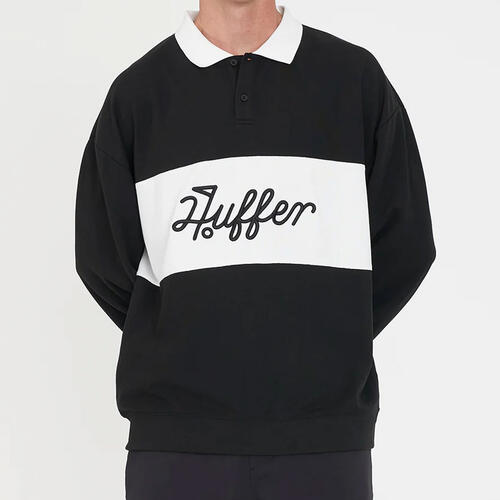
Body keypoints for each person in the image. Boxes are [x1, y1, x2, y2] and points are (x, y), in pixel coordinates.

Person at [75, 0, 436, 498]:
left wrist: (329, 330)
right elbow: (101, 259)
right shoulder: (136, 96)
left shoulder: (355, 82)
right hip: (175, 448)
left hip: (324, 446)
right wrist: (182, 334)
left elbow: (407, 243)